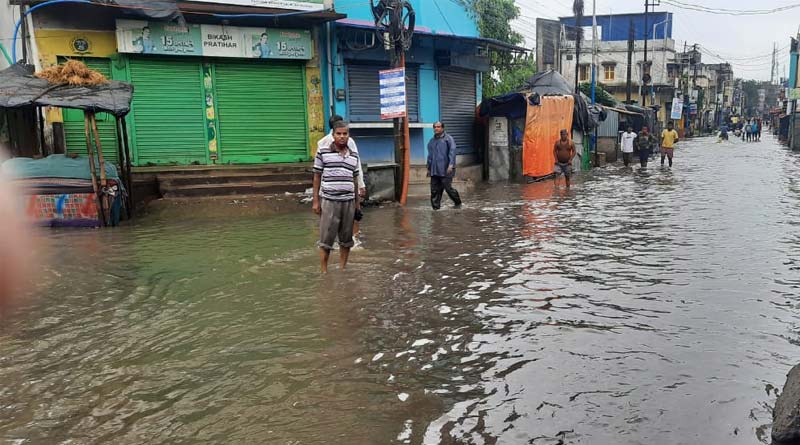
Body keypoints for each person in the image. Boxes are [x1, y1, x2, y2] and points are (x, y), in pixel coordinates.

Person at [312, 120, 361, 273]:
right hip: (329, 201)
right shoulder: (323, 152)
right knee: (326, 239)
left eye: (344, 134)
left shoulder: (354, 156)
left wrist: (357, 205)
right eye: (338, 134)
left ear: (348, 136)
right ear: (333, 135)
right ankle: (324, 271)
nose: (341, 137)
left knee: (346, 240)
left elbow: (355, 180)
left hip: (348, 202)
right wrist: (315, 201)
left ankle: (342, 269)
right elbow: (317, 176)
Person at [317, 114, 366, 198]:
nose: (342, 137)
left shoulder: (322, 142)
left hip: (329, 191)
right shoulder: (349, 141)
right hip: (341, 191)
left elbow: (318, 172)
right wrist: (361, 184)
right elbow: (357, 164)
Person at [426, 122, 462, 210]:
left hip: (446, 169)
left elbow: (452, 152)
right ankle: (436, 209)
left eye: (438, 127)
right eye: (434, 127)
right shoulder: (431, 141)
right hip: (434, 170)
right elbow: (430, 156)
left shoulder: (448, 139)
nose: (436, 129)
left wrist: (451, 165)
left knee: (448, 188)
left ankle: (458, 203)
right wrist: (428, 168)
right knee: (434, 190)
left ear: (442, 128)